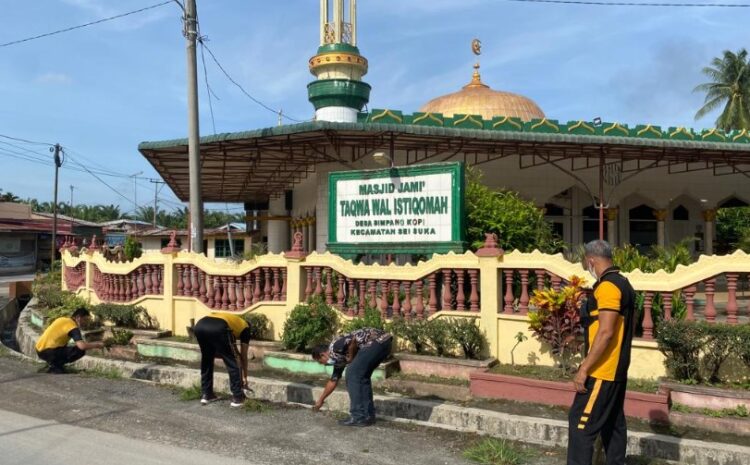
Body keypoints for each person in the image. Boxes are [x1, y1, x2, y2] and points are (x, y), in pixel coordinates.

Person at [568, 240, 636, 465]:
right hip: (616, 371)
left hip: (602, 372)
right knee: (612, 426)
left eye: (585, 264)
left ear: (591, 261)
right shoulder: (623, 282)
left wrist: (584, 369)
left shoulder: (608, 286)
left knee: (581, 424)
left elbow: (606, 332)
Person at [311, 327, 392, 427]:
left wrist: (351, 357)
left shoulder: (335, 346)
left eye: (320, 362)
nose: (323, 364)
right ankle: (368, 416)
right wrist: (320, 400)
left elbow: (352, 340)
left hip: (377, 342)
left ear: (322, 355)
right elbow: (333, 381)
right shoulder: (338, 359)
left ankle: (358, 416)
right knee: (362, 377)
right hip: (384, 342)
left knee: (352, 373)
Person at [194, 312, 251, 407]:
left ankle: (206, 394)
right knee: (232, 363)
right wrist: (245, 377)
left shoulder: (234, 322)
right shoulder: (246, 328)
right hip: (218, 327)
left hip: (200, 325)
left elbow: (235, 352)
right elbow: (243, 356)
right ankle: (238, 397)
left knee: (206, 360)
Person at [35, 307, 104, 373]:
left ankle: (54, 365)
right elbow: (82, 346)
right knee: (79, 351)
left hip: (39, 349)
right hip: (49, 352)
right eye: (85, 320)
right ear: (78, 318)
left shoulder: (62, 319)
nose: (86, 323)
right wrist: (97, 344)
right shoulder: (72, 327)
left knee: (66, 347)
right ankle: (56, 367)